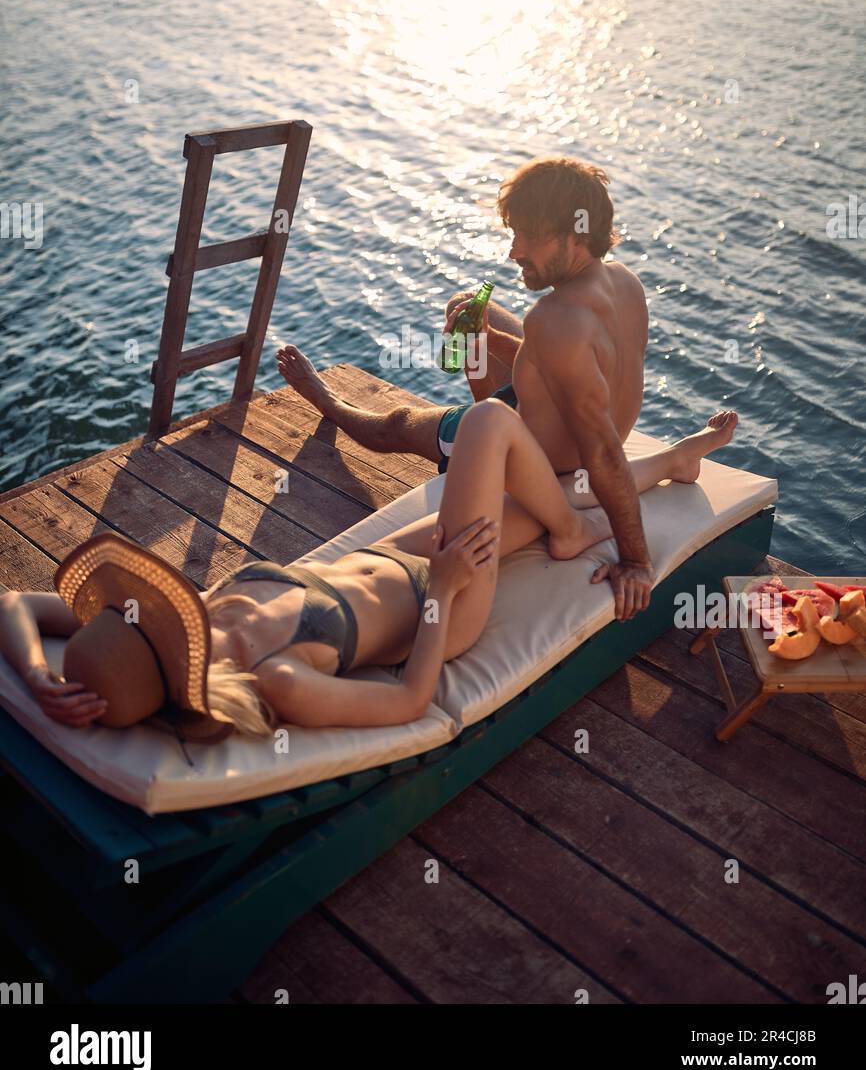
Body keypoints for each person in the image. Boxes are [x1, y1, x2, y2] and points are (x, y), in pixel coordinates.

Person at [0, 398, 738, 737]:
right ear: (175, 658)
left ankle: (669, 462)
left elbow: (16, 606)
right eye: (158, 623)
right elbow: (411, 701)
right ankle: (576, 527)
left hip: (394, 559)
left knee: (525, 491)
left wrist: (36, 676)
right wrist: (445, 592)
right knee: (489, 424)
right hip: (443, 605)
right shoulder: (278, 680)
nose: (158, 606)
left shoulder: (197, 610)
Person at [277, 156, 655, 619]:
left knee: (397, 424)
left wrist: (636, 560)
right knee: (468, 307)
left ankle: (326, 399)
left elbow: (603, 453)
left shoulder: (555, 321)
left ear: (575, 234)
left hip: (537, 456)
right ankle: (488, 393)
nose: (514, 251)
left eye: (530, 237)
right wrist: (496, 342)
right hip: (552, 419)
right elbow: (578, 366)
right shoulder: (624, 283)